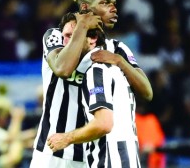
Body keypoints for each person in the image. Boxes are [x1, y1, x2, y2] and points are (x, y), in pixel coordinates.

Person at [30, 0, 152, 168]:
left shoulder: (117, 49)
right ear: (85, 8)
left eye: (113, 3)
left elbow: (147, 91)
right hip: (52, 151)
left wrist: (120, 62)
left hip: (90, 155)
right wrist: (83, 25)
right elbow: (62, 69)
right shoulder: (57, 36)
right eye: (105, 3)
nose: (114, 8)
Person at [47, 14, 141, 167]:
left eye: (74, 35)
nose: (66, 43)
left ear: (92, 39)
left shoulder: (96, 71)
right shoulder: (115, 70)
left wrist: (66, 138)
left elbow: (104, 124)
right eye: (65, 36)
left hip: (110, 161)